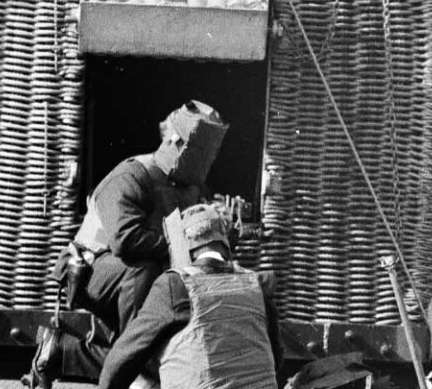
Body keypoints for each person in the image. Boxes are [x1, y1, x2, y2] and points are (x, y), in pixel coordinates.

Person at [22, 100, 229, 389]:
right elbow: (125, 241)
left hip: (142, 273)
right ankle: (135, 359)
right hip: (91, 270)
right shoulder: (132, 175)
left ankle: (60, 351)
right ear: (175, 142)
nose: (203, 163)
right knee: (141, 271)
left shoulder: (189, 187)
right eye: (196, 153)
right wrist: (183, 243)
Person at [97, 202, 282, 389]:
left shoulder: (175, 285)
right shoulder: (255, 285)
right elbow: (276, 356)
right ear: (226, 247)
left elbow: (123, 359)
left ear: (182, 248)